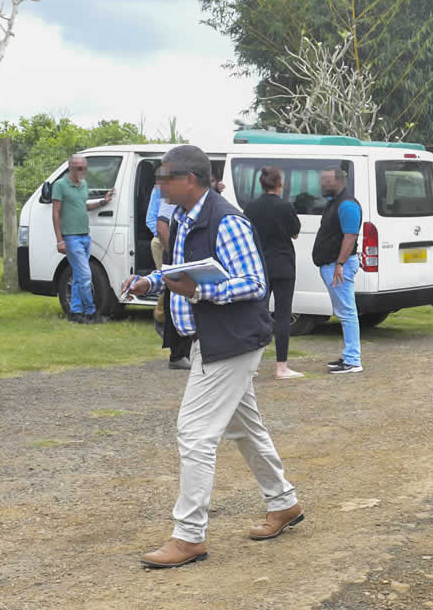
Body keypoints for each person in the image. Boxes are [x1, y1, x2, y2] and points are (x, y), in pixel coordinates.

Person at [121, 145, 302, 569]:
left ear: (192, 179)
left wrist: (202, 291)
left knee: (196, 433)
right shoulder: (185, 217)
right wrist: (152, 281)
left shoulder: (226, 220)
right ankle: (284, 503)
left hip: (231, 339)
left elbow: (255, 284)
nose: (158, 183)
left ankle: (189, 536)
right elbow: (182, 271)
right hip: (215, 335)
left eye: (165, 177)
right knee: (243, 428)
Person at [246, 166, 303, 380]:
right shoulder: (285, 206)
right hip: (284, 265)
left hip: (260, 265)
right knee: (282, 315)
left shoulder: (251, 207)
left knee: (257, 313)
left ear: (261, 184)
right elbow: (295, 233)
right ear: (280, 184)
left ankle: (251, 365)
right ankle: (281, 367)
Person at [52, 154, 115, 324]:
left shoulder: (84, 184)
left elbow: (84, 206)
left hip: (85, 236)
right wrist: (60, 240)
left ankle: (75, 313)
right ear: (70, 168)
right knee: (86, 275)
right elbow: (56, 213)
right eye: (79, 168)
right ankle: (91, 312)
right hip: (71, 237)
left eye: (84, 168)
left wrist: (103, 202)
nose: (83, 171)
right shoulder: (60, 186)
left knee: (79, 277)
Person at [312, 167, 363, 374]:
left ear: (339, 181)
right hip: (333, 265)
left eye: (326, 181)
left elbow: (350, 237)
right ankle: (349, 355)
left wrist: (340, 264)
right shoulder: (336, 202)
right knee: (344, 312)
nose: (322, 184)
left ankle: (353, 360)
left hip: (338, 266)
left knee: (347, 312)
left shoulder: (348, 205)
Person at [147, 186, 191, 369]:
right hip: (171, 249)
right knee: (172, 293)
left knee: (181, 295)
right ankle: (177, 353)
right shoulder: (169, 194)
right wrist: (173, 255)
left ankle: (184, 352)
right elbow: (160, 224)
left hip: (179, 250)